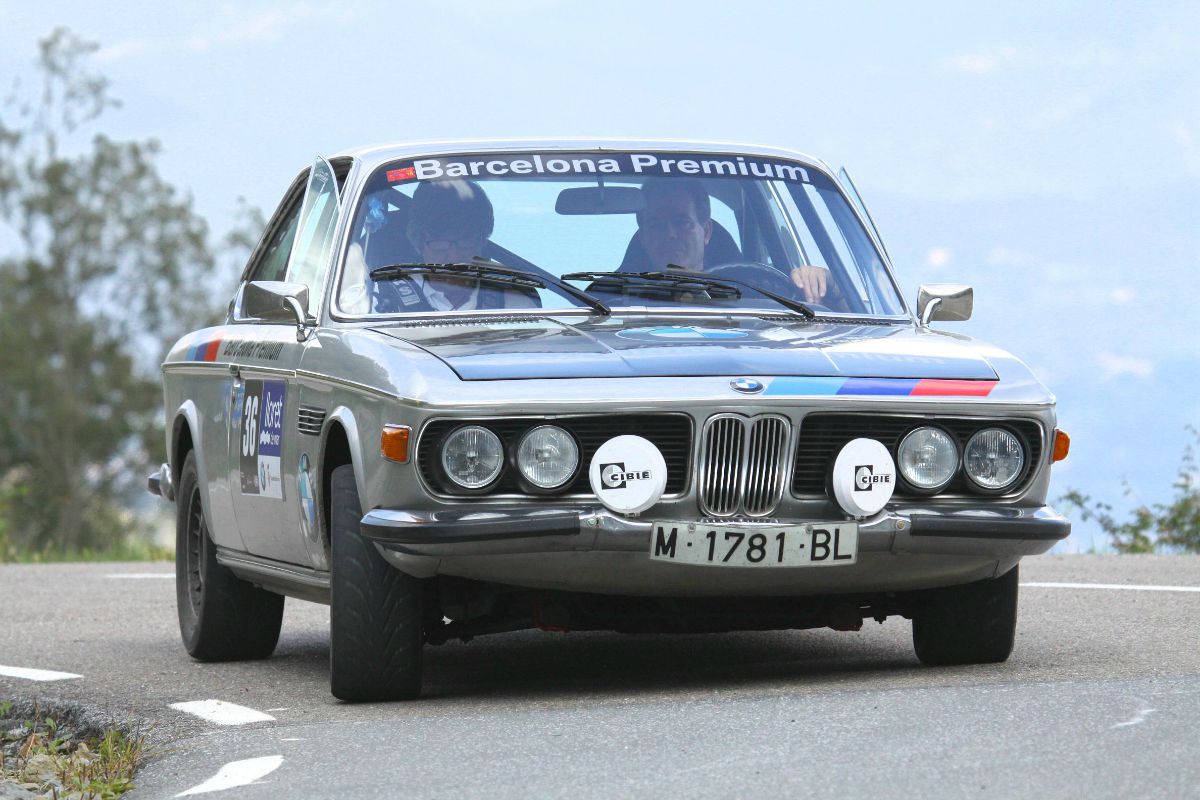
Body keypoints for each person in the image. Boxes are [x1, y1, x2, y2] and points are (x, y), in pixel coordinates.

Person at [635, 177, 833, 304]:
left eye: (682, 223)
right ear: (643, 238)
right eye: (655, 224)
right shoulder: (617, 305)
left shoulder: (756, 293)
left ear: (706, 232)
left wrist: (826, 283)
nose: (669, 234)